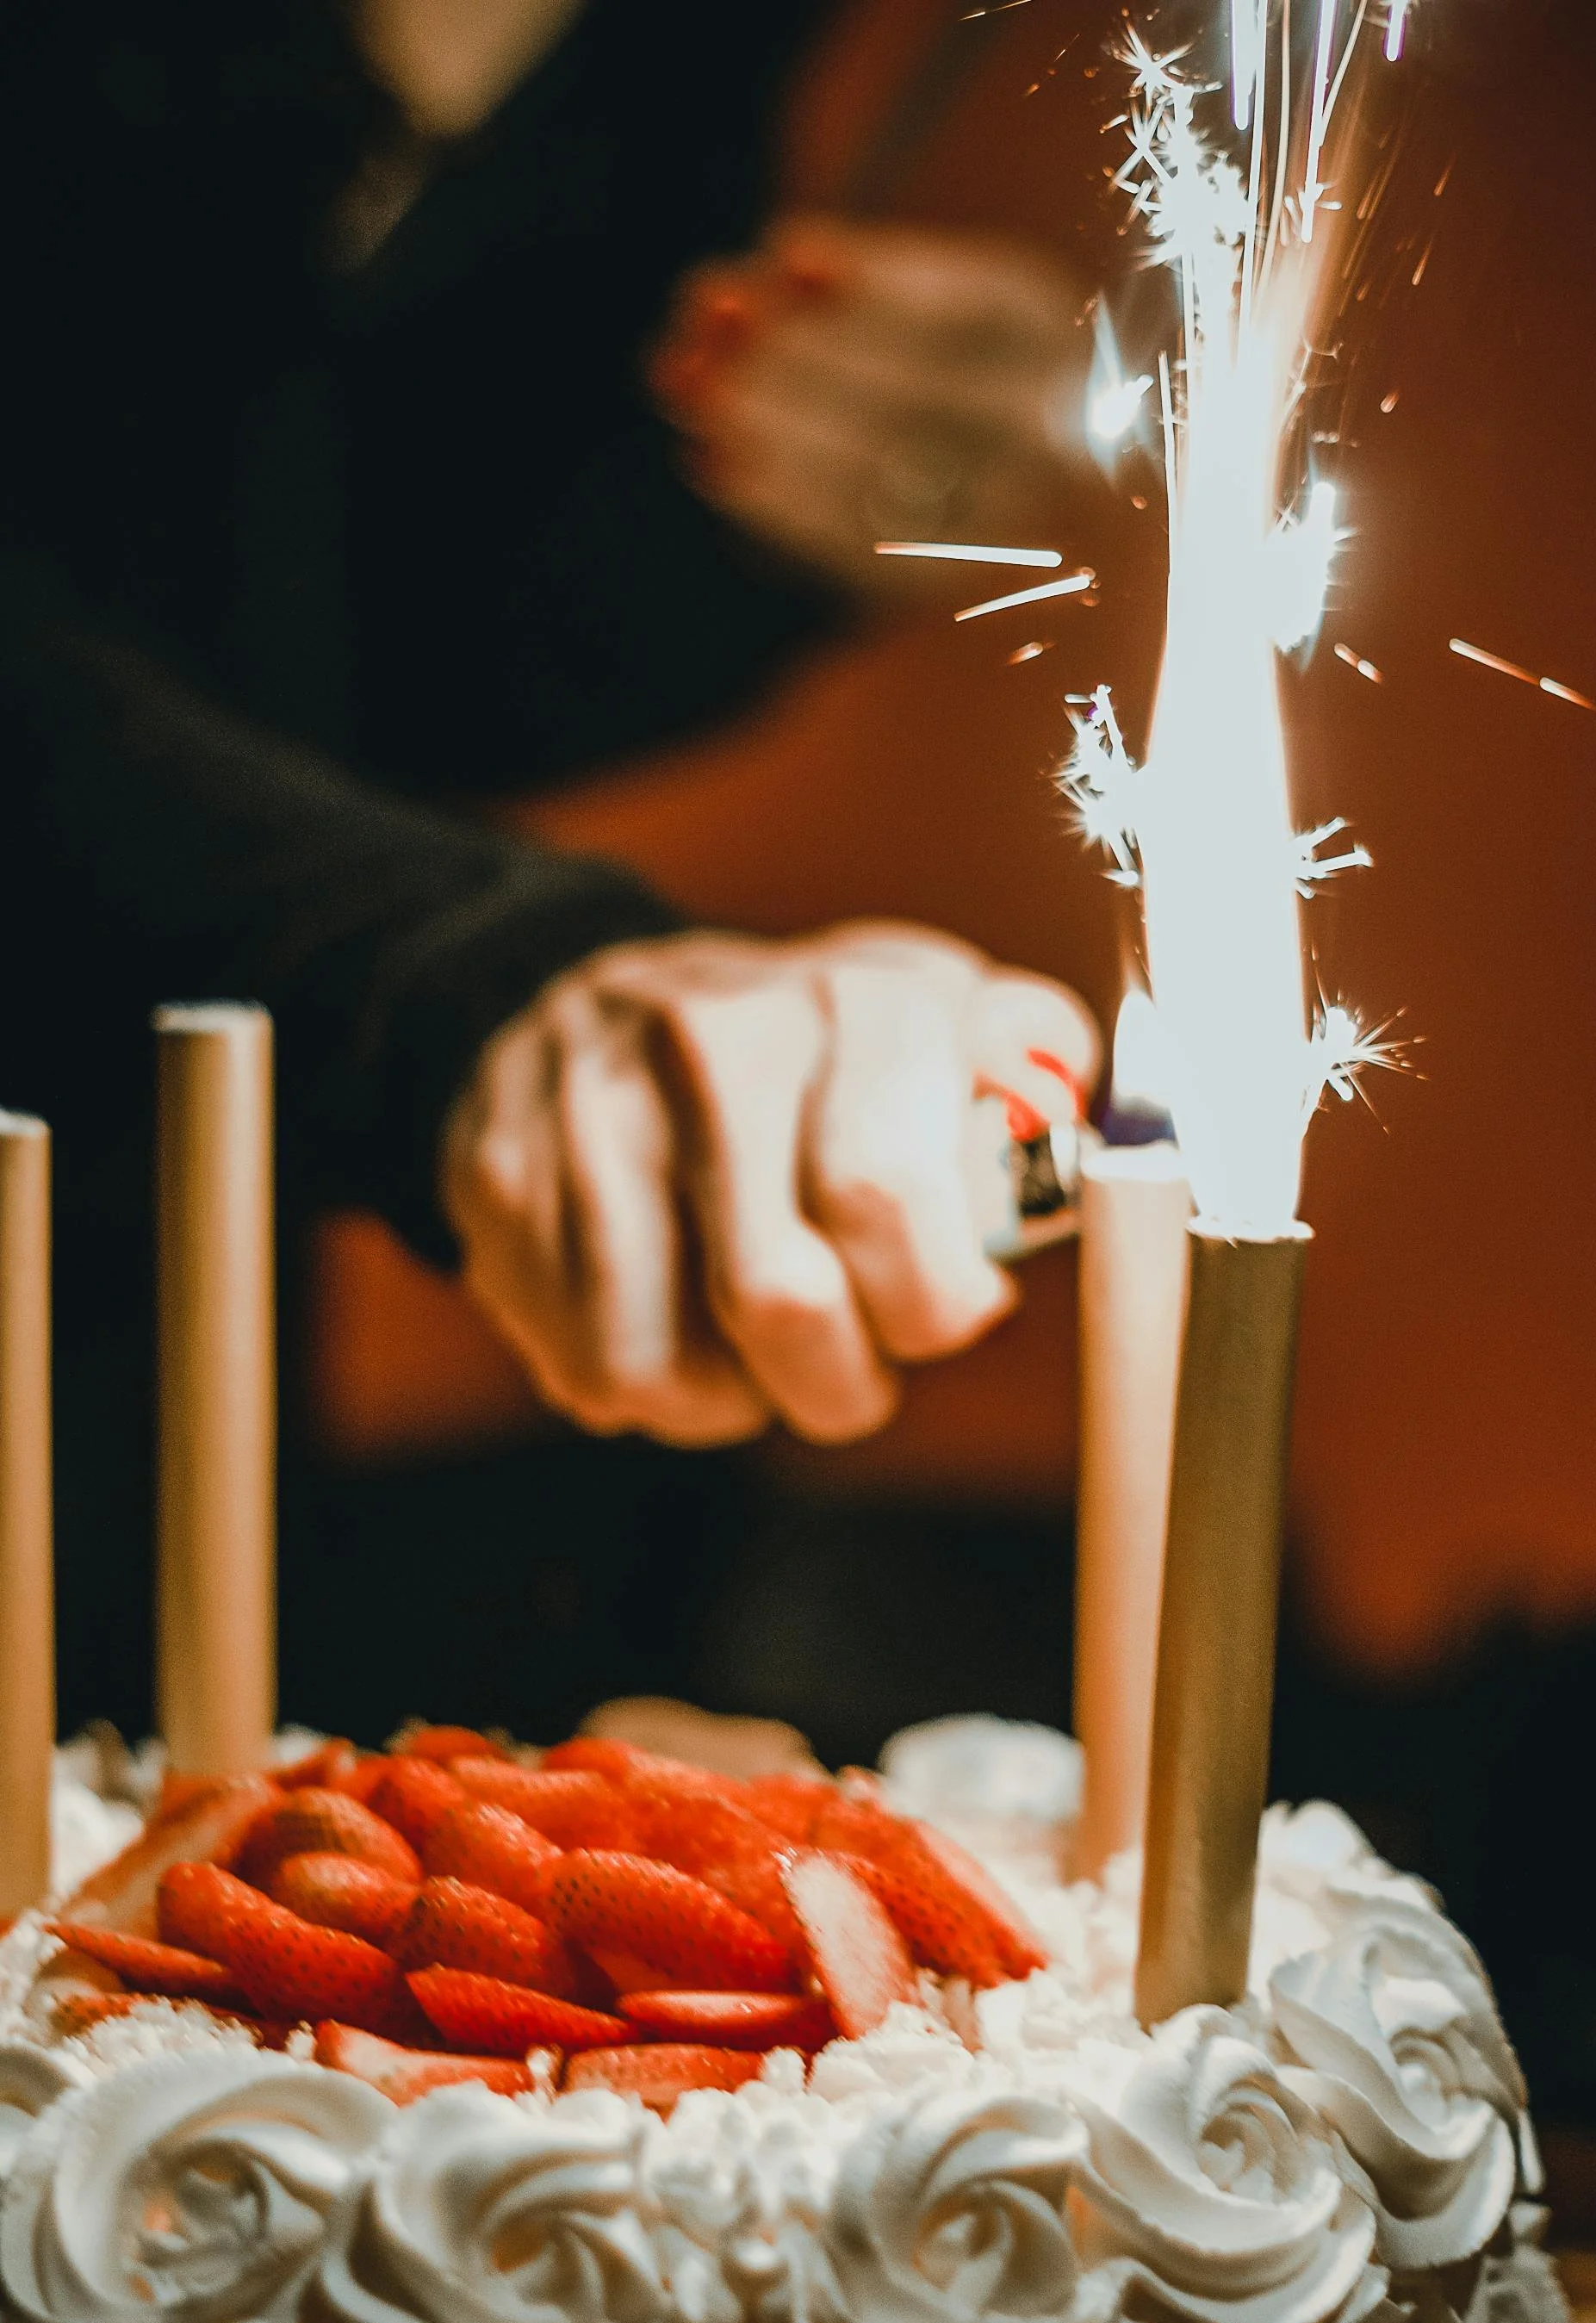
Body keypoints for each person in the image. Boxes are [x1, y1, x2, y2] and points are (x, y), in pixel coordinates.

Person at [0, 0, 1100, 1735]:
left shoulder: (689, 50)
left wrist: (728, 524)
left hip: (132, 1370)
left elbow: (307, 659)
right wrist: (481, 979)